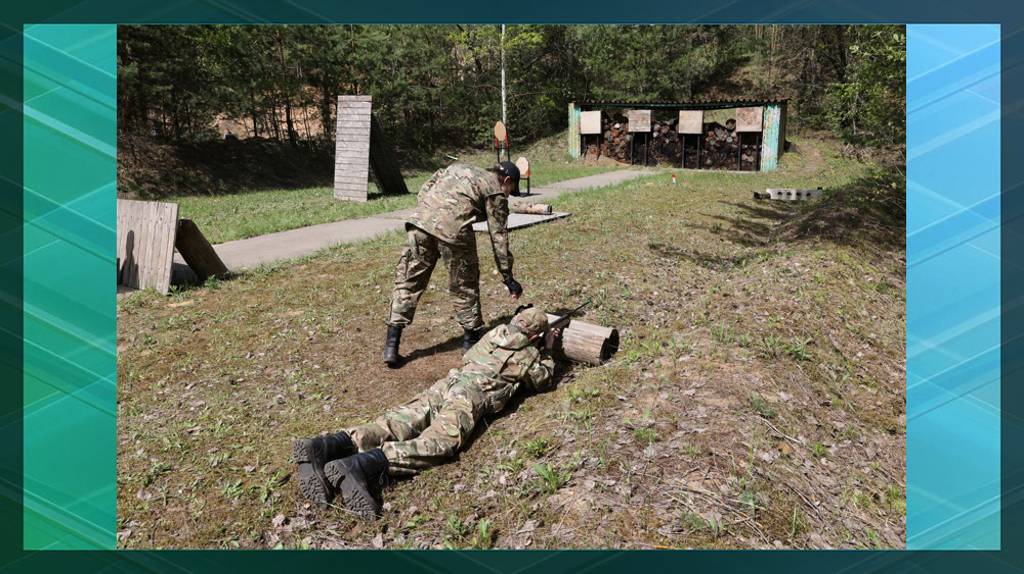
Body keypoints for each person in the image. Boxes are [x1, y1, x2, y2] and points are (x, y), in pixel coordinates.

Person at [293, 306, 558, 518]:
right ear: (534, 336)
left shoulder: (494, 333)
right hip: (468, 397)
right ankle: (362, 466)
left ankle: (328, 445)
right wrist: (547, 350)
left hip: (446, 384)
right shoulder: (529, 356)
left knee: (397, 423)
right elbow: (541, 381)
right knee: (440, 443)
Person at [382, 161, 525, 368]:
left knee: (408, 282)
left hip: (420, 224)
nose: (509, 195)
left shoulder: (456, 167)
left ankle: (391, 346)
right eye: (511, 190)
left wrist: (432, 213)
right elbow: (499, 237)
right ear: (507, 181)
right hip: (454, 232)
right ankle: (470, 343)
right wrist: (508, 277)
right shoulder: (495, 190)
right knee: (464, 285)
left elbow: (425, 189)